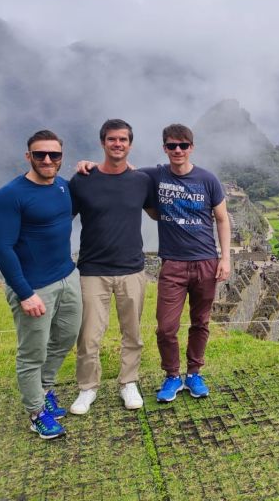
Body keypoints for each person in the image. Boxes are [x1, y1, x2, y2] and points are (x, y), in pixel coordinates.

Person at [0, 130, 80, 440]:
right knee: (32, 352)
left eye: (54, 155)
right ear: (28, 156)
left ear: (61, 157)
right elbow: (1, 247)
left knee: (66, 337)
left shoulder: (63, 188)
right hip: (33, 286)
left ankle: (46, 389)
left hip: (68, 276)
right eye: (39, 154)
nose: (47, 160)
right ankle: (36, 413)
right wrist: (25, 293)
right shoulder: (10, 195)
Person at [68, 119, 155, 415]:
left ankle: (128, 381)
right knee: (89, 334)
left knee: (132, 332)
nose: (117, 144)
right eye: (112, 140)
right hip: (93, 270)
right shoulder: (83, 179)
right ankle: (87, 388)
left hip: (131, 269)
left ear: (130, 144)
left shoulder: (141, 180)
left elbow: (158, 212)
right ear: (103, 142)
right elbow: (61, 217)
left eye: (123, 140)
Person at [142, 124, 230, 402]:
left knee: (200, 321)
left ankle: (194, 373)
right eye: (171, 146)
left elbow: (222, 218)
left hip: (205, 260)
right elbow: (120, 170)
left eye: (182, 145)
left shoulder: (208, 179)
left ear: (191, 147)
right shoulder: (155, 175)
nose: (177, 150)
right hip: (174, 264)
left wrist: (225, 258)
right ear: (164, 148)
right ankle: (172, 376)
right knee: (166, 327)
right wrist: (90, 165)